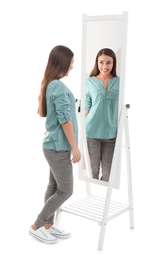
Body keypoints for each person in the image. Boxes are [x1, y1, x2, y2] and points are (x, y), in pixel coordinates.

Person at [29, 45, 81, 244]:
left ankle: (48, 225)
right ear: (63, 63)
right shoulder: (57, 86)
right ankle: (36, 226)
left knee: (54, 186)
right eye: (71, 63)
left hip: (53, 146)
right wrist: (75, 147)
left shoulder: (51, 83)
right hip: (58, 147)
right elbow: (65, 120)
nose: (72, 67)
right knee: (65, 190)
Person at [84, 48, 119, 182]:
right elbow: (87, 103)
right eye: (101, 62)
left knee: (108, 174)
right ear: (97, 63)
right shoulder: (90, 81)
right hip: (92, 130)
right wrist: (81, 124)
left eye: (108, 62)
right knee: (92, 172)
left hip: (111, 132)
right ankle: (94, 198)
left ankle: (104, 199)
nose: (104, 66)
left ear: (113, 63)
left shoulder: (119, 81)